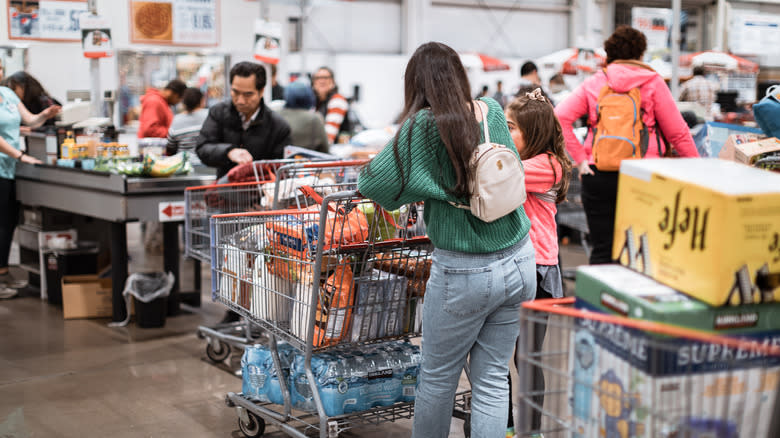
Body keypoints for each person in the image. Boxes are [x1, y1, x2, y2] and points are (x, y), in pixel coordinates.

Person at [358, 42, 536, 438]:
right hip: (521, 258)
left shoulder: (421, 126)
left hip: (464, 272)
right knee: (492, 377)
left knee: (438, 379)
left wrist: (426, 187)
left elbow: (373, 183)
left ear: (416, 85)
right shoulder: (490, 110)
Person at [554, 25, 698, 265]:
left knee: (603, 249)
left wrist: (580, 159)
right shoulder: (653, 82)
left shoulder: (595, 82)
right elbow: (679, 133)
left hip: (597, 173)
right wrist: (700, 170)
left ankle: (598, 301)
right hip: (644, 176)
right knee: (642, 251)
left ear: (609, 54)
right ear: (640, 54)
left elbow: (560, 117)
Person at [503, 88, 571, 438]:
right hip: (515, 264)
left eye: (510, 127)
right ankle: (506, 425)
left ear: (535, 134)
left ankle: (531, 430)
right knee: (499, 353)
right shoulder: (527, 161)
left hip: (539, 271)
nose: (504, 133)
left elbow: (496, 174)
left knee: (526, 356)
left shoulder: (545, 166)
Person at [0, 83, 60, 298]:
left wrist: (44, 114)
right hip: (5, 164)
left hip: (9, 169)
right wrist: (20, 156)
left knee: (8, 223)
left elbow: (30, 120)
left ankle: (3, 272)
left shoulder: (6, 94)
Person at [196, 61, 292, 179]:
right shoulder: (218, 113)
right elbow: (203, 148)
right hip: (224, 191)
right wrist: (228, 152)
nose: (240, 100)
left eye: (248, 95)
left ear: (261, 91)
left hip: (262, 193)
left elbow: (282, 168)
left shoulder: (278, 126)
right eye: (235, 92)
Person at [278, 81, 329, 153]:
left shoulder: (276, 114)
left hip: (280, 162)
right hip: (307, 162)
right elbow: (325, 149)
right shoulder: (314, 119)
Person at [166, 87, 208, 164]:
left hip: (183, 165)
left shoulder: (176, 120)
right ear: (201, 100)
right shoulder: (209, 115)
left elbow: (170, 146)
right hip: (206, 164)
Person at [312, 66, 350, 144]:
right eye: (318, 78)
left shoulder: (337, 100)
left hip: (336, 149)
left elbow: (329, 137)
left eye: (325, 78)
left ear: (332, 81)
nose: (322, 81)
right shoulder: (315, 101)